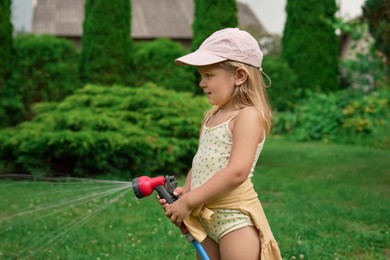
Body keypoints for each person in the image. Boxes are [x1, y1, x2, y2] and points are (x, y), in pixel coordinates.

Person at [159, 28, 282, 260]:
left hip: (235, 219)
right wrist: (186, 190)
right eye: (201, 76)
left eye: (209, 75)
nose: (201, 83)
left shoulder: (247, 116)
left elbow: (237, 172)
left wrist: (190, 201)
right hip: (207, 216)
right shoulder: (211, 116)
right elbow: (202, 160)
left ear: (239, 75)